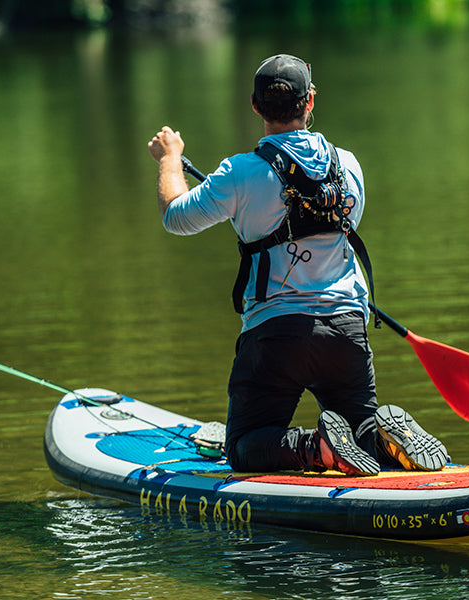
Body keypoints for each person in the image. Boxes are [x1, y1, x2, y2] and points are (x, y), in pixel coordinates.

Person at [148, 54, 448, 476]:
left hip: (276, 337)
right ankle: (376, 436)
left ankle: (318, 446)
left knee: (243, 447)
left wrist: (170, 159)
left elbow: (175, 216)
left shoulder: (240, 172)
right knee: (360, 430)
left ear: (254, 105)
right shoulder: (349, 166)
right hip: (346, 329)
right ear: (310, 102)